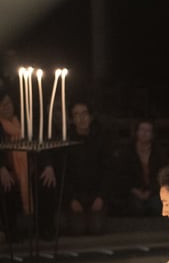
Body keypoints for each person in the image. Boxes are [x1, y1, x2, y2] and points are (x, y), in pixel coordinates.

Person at [0, 86, 57, 242]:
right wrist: (2, 168)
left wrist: (48, 165)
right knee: (7, 185)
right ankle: (11, 231)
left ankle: (45, 227)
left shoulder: (25, 123)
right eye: (1, 105)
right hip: (9, 171)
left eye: (8, 103)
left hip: (30, 168)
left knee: (46, 180)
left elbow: (40, 144)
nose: (5, 107)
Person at [63, 100, 115, 236]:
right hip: (76, 196)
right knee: (78, 229)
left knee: (96, 228)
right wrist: (72, 199)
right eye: (76, 114)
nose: (81, 118)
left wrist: (101, 196)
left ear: (90, 116)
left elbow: (108, 170)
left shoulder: (101, 139)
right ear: (71, 119)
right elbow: (64, 173)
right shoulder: (67, 141)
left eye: (84, 113)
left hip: (96, 195)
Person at [110, 117, 169, 217]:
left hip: (153, 190)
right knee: (136, 208)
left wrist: (151, 191)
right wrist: (135, 190)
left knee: (156, 207)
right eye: (142, 130)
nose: (144, 133)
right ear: (137, 132)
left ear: (152, 134)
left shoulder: (159, 152)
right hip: (133, 189)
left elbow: (163, 174)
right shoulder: (127, 151)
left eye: (148, 131)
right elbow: (122, 175)